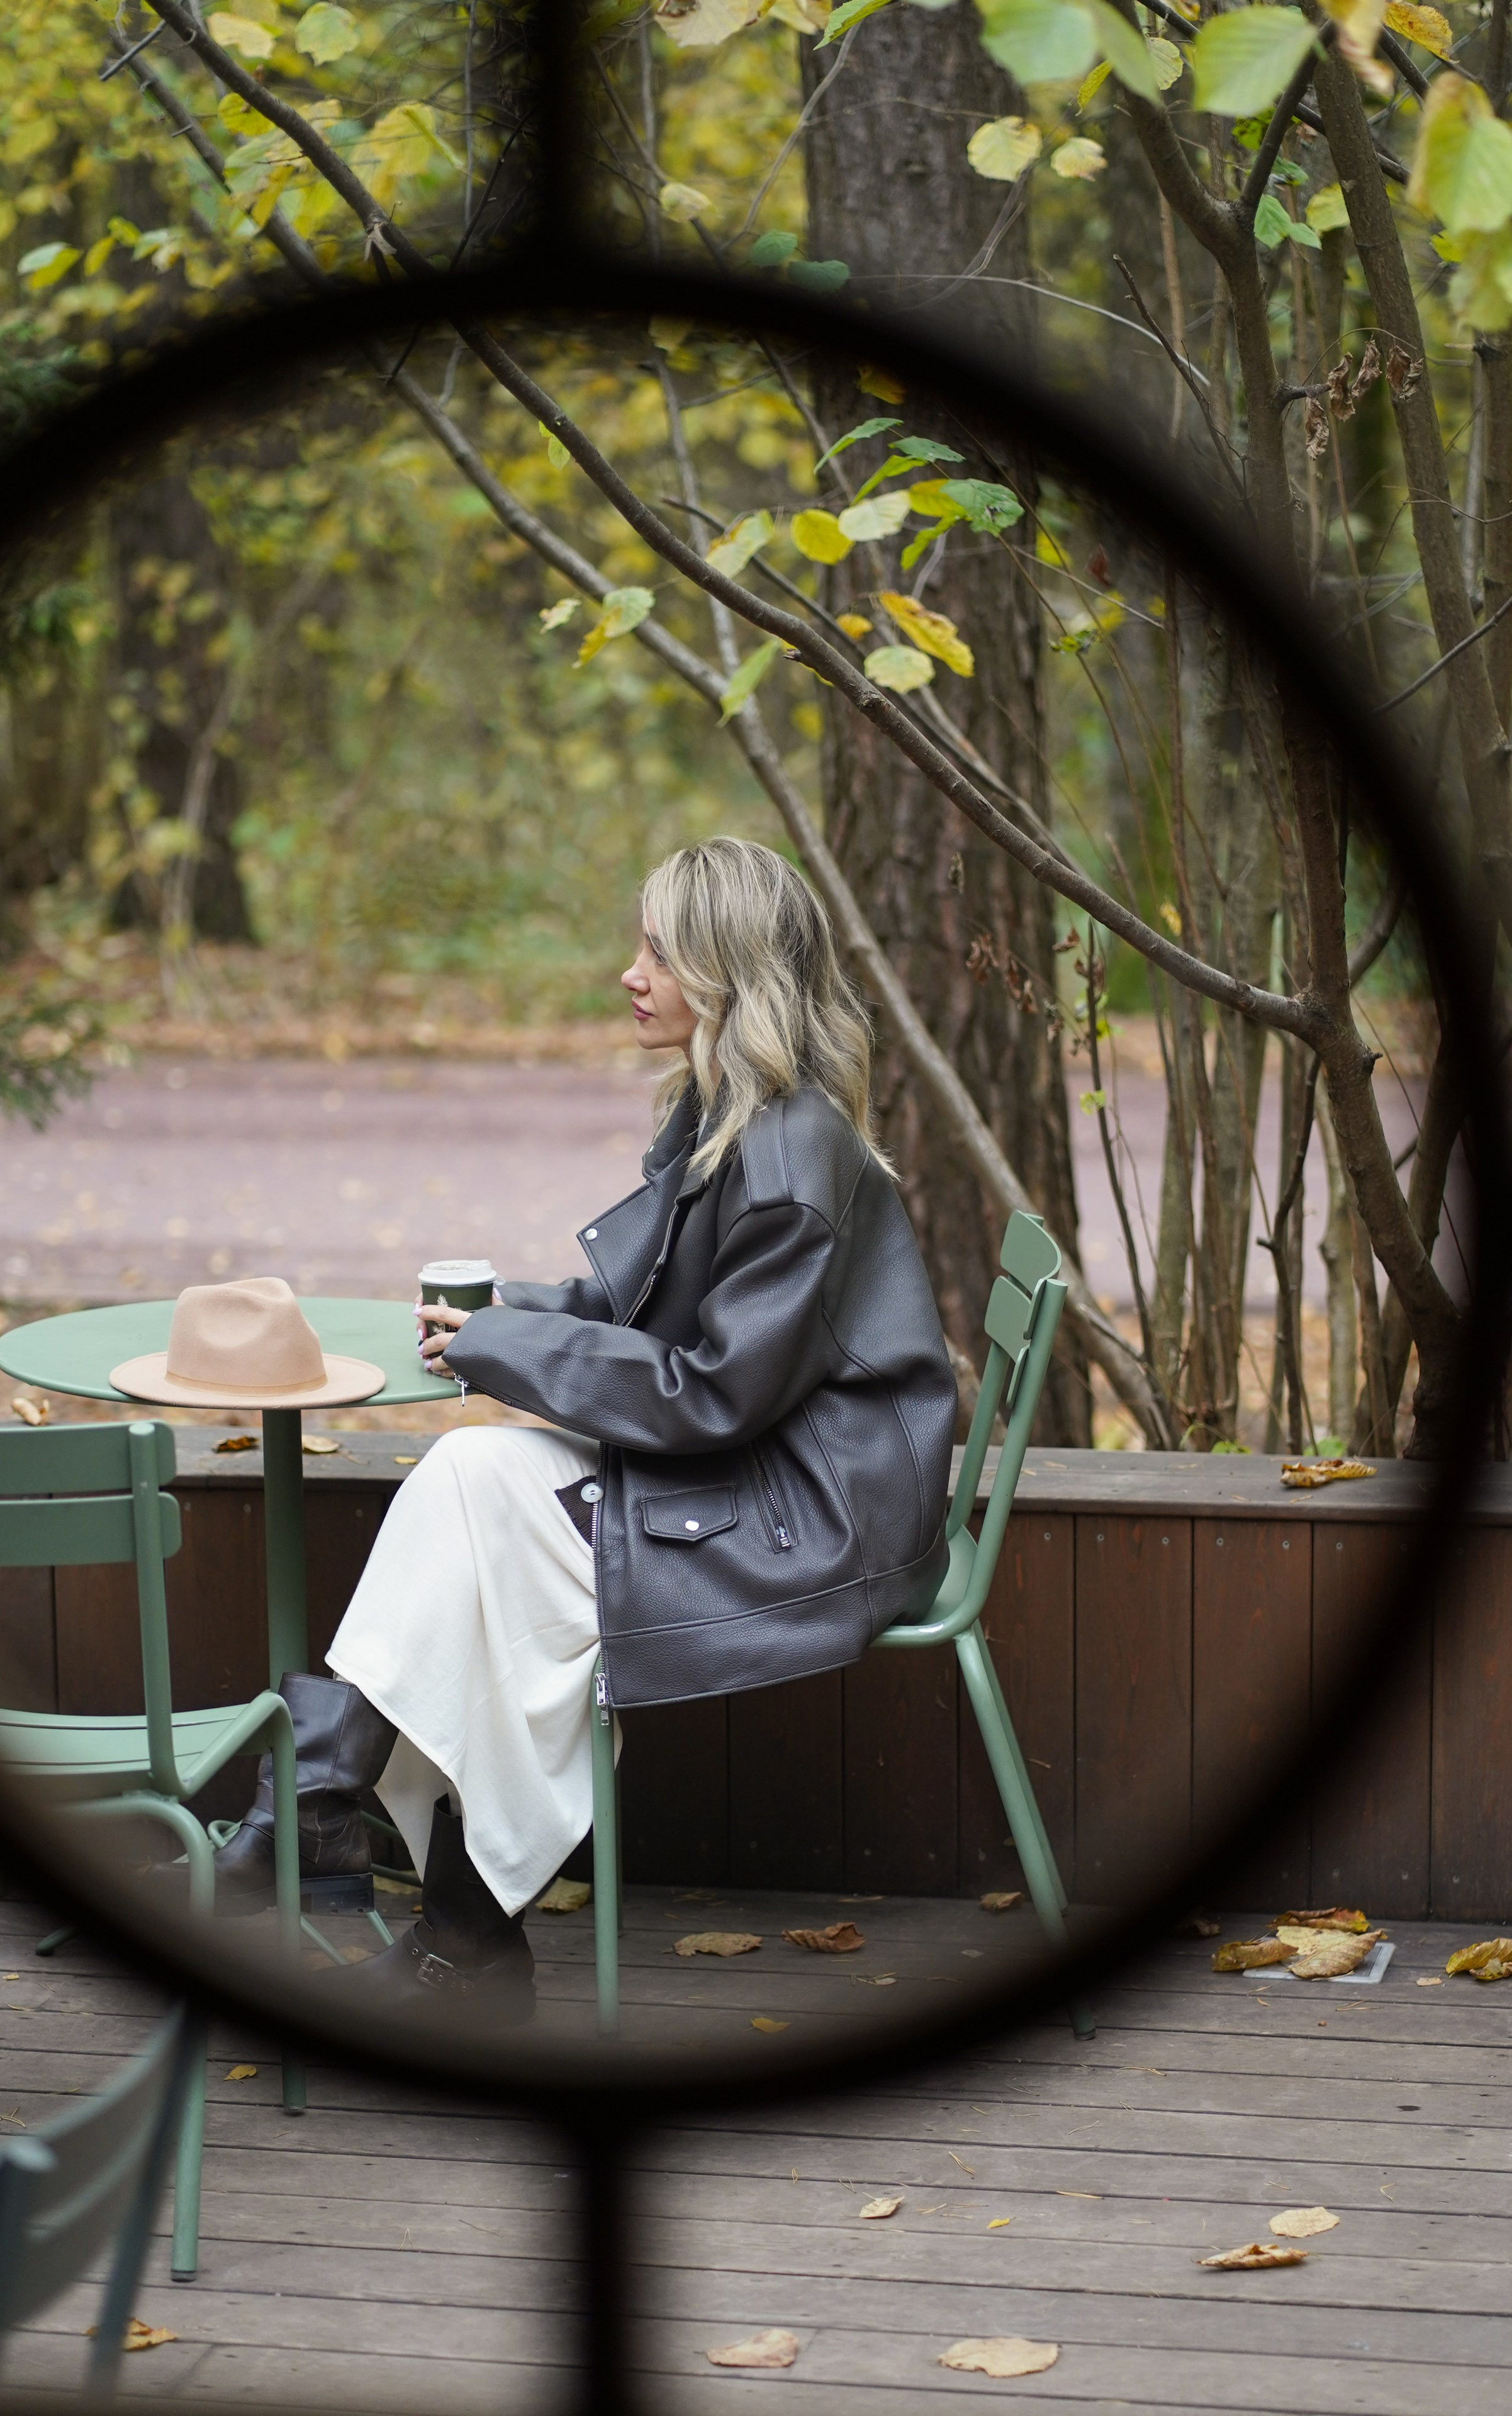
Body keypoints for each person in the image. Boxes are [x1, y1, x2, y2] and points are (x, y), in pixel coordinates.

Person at [212, 838, 956, 2016]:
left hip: (813, 1510)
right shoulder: (728, 1109)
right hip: (760, 1463)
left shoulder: (788, 1148)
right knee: (478, 1492)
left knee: (491, 1520)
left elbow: (715, 1392)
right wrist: (516, 1311)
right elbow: (658, 1313)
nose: (632, 972)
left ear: (728, 972)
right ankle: (383, 1868)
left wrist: (511, 1350)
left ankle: (337, 1829)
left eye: (659, 949)